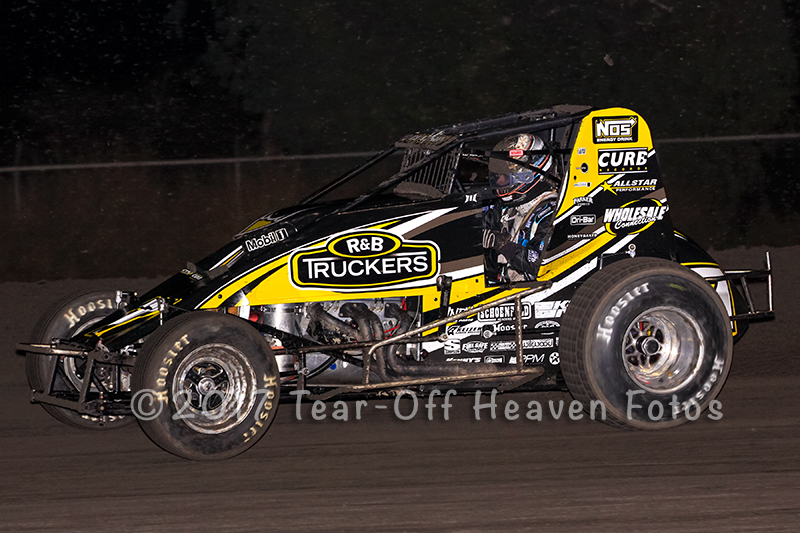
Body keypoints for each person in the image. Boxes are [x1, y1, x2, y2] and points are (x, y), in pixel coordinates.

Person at [482, 133, 558, 283]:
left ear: (529, 175)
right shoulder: (506, 207)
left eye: (507, 174)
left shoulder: (550, 212)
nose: (500, 180)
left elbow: (539, 263)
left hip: (532, 288)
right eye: (499, 174)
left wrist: (502, 244)